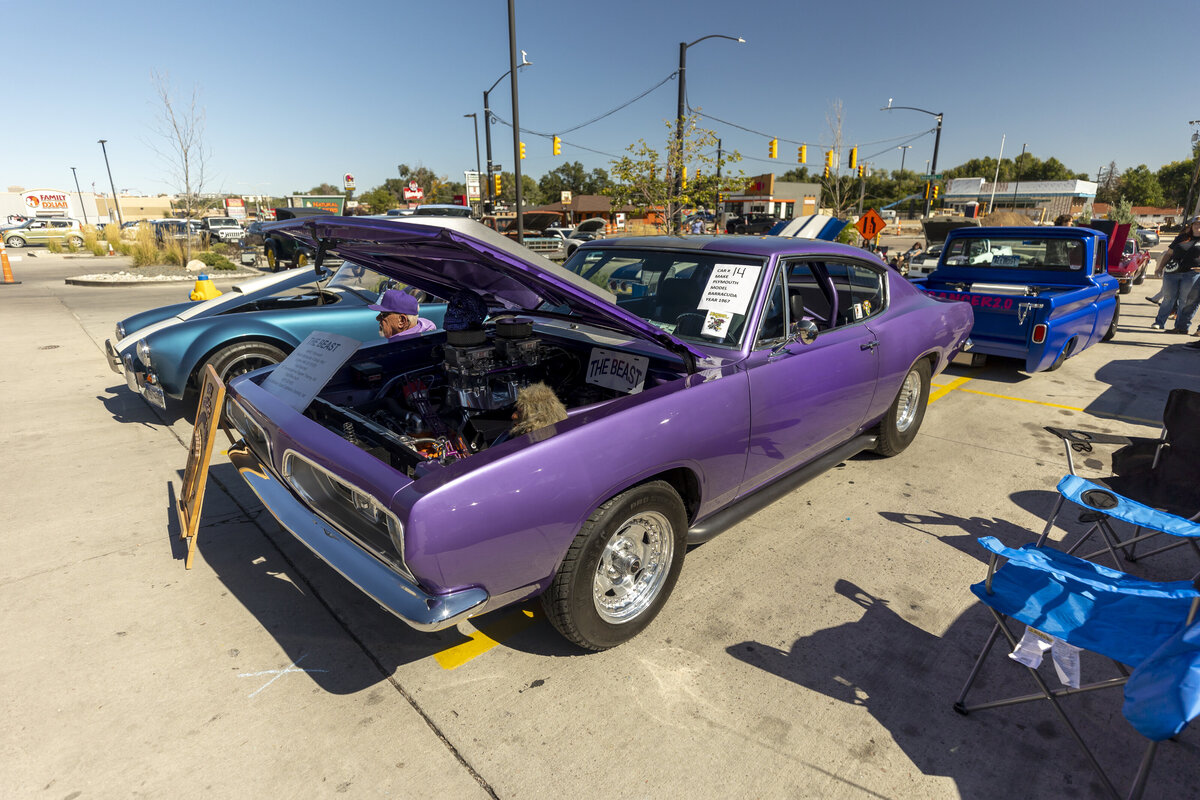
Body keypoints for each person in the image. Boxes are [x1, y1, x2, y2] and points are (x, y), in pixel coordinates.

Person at [1150, 216, 1200, 334]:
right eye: (1196, 224)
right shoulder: (1182, 238)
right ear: (1191, 226)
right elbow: (1169, 253)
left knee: (1185, 301)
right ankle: (1159, 322)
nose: (1198, 226)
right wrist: (1160, 267)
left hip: (1191, 274)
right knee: (1168, 298)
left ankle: (1180, 327)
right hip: (1172, 272)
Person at [368, 289, 435, 341]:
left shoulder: (398, 350)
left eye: (383, 314)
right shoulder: (423, 329)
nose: (377, 318)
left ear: (402, 321)